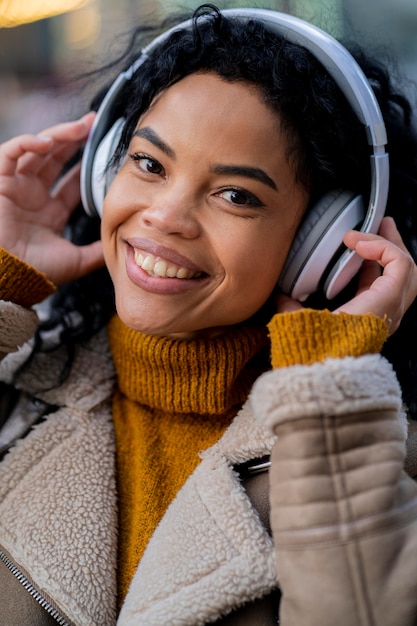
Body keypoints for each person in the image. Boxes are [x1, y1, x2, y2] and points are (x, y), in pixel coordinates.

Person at [0, 4, 417, 625]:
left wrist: (330, 393)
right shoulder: (24, 388)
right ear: (105, 167)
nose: (166, 215)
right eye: (148, 162)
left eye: (236, 195)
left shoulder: (365, 455)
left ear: (321, 245)